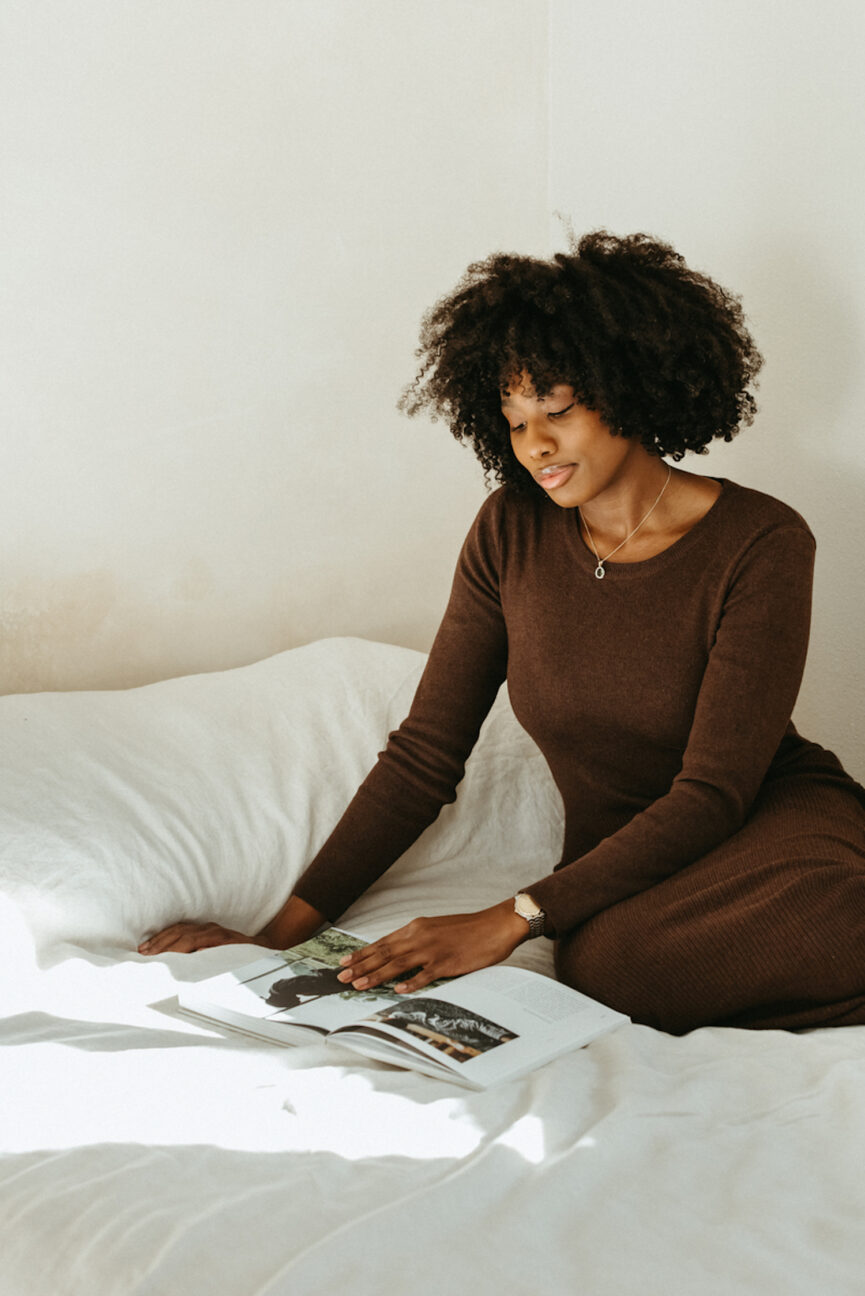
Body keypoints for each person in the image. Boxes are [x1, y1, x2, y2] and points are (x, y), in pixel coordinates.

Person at [140, 231, 865, 1034]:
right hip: (626, 869)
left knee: (665, 957)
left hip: (768, 831)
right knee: (605, 967)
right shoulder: (509, 531)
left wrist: (510, 915)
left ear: (631, 389)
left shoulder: (759, 541)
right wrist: (274, 940)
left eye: (556, 411)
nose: (536, 447)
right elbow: (423, 756)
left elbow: (712, 794)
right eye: (515, 423)